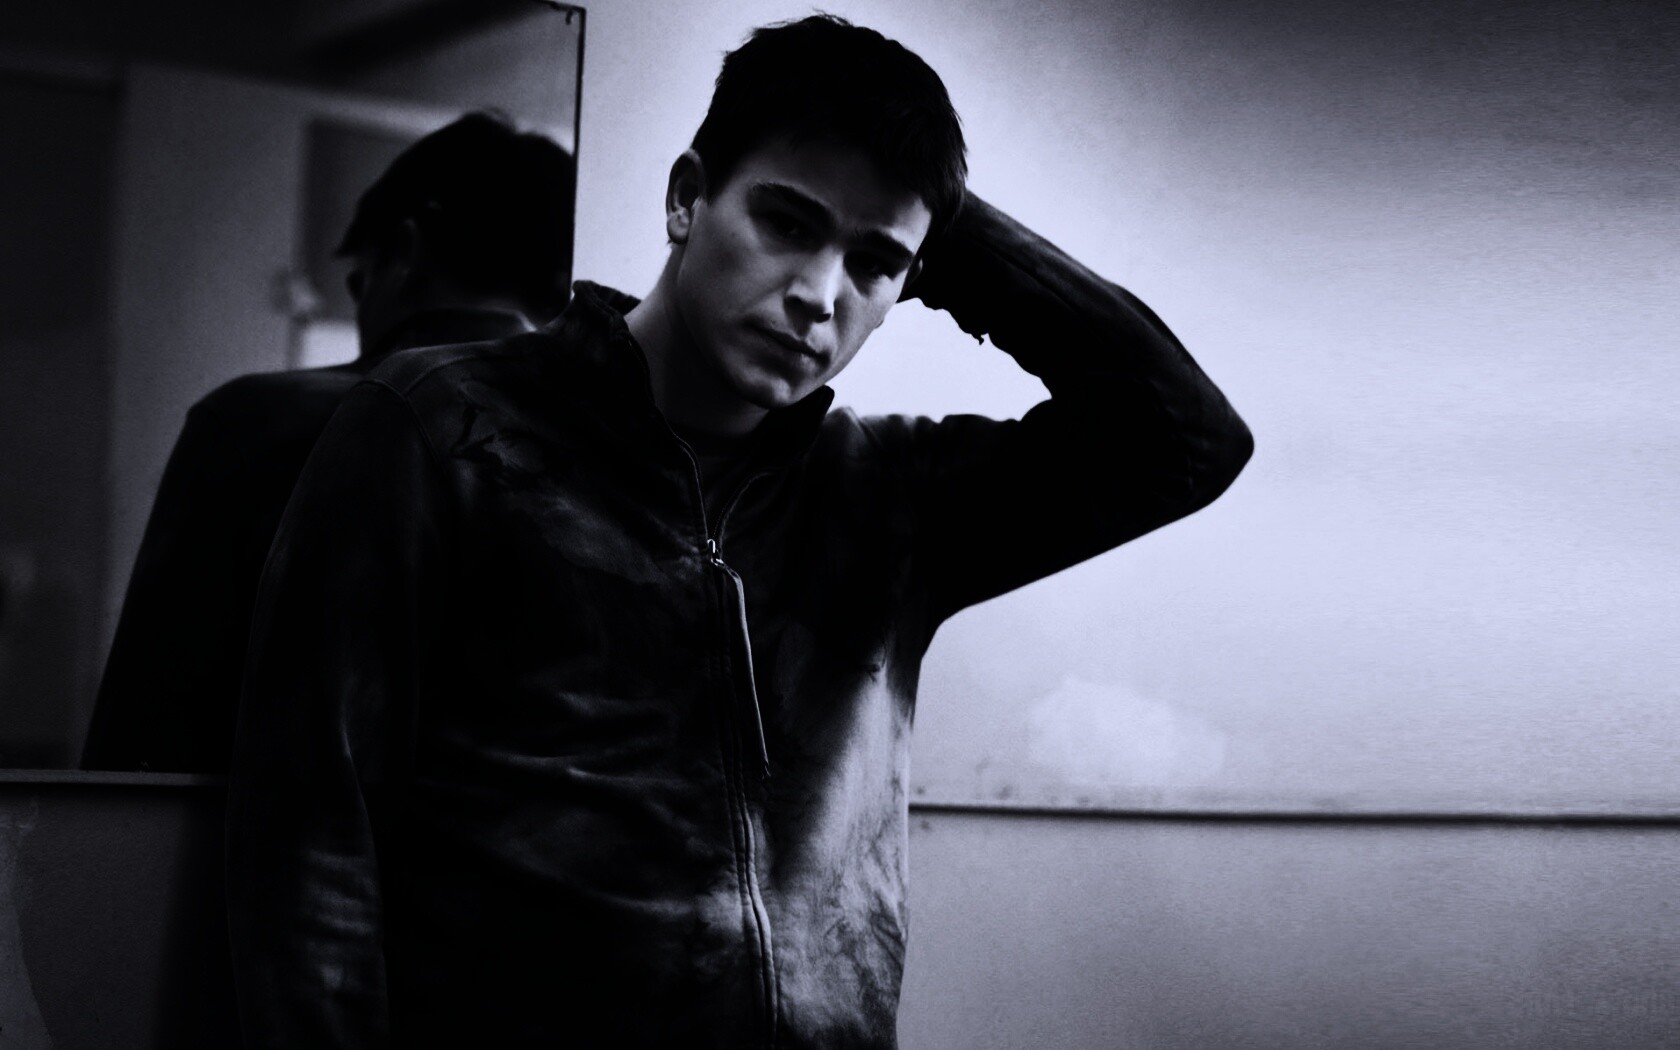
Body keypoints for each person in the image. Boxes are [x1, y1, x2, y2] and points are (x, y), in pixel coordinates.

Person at [227, 14, 1253, 1048]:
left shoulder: (888, 495)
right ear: (687, 197)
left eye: (873, 265)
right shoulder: (443, 428)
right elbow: (310, 847)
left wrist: (940, 219)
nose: (818, 296)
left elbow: (1184, 438)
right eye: (789, 223)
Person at [81, 111, 576, 774]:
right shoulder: (616, 442)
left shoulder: (258, 424)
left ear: (404, 253)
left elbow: (146, 732)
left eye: (357, 282)